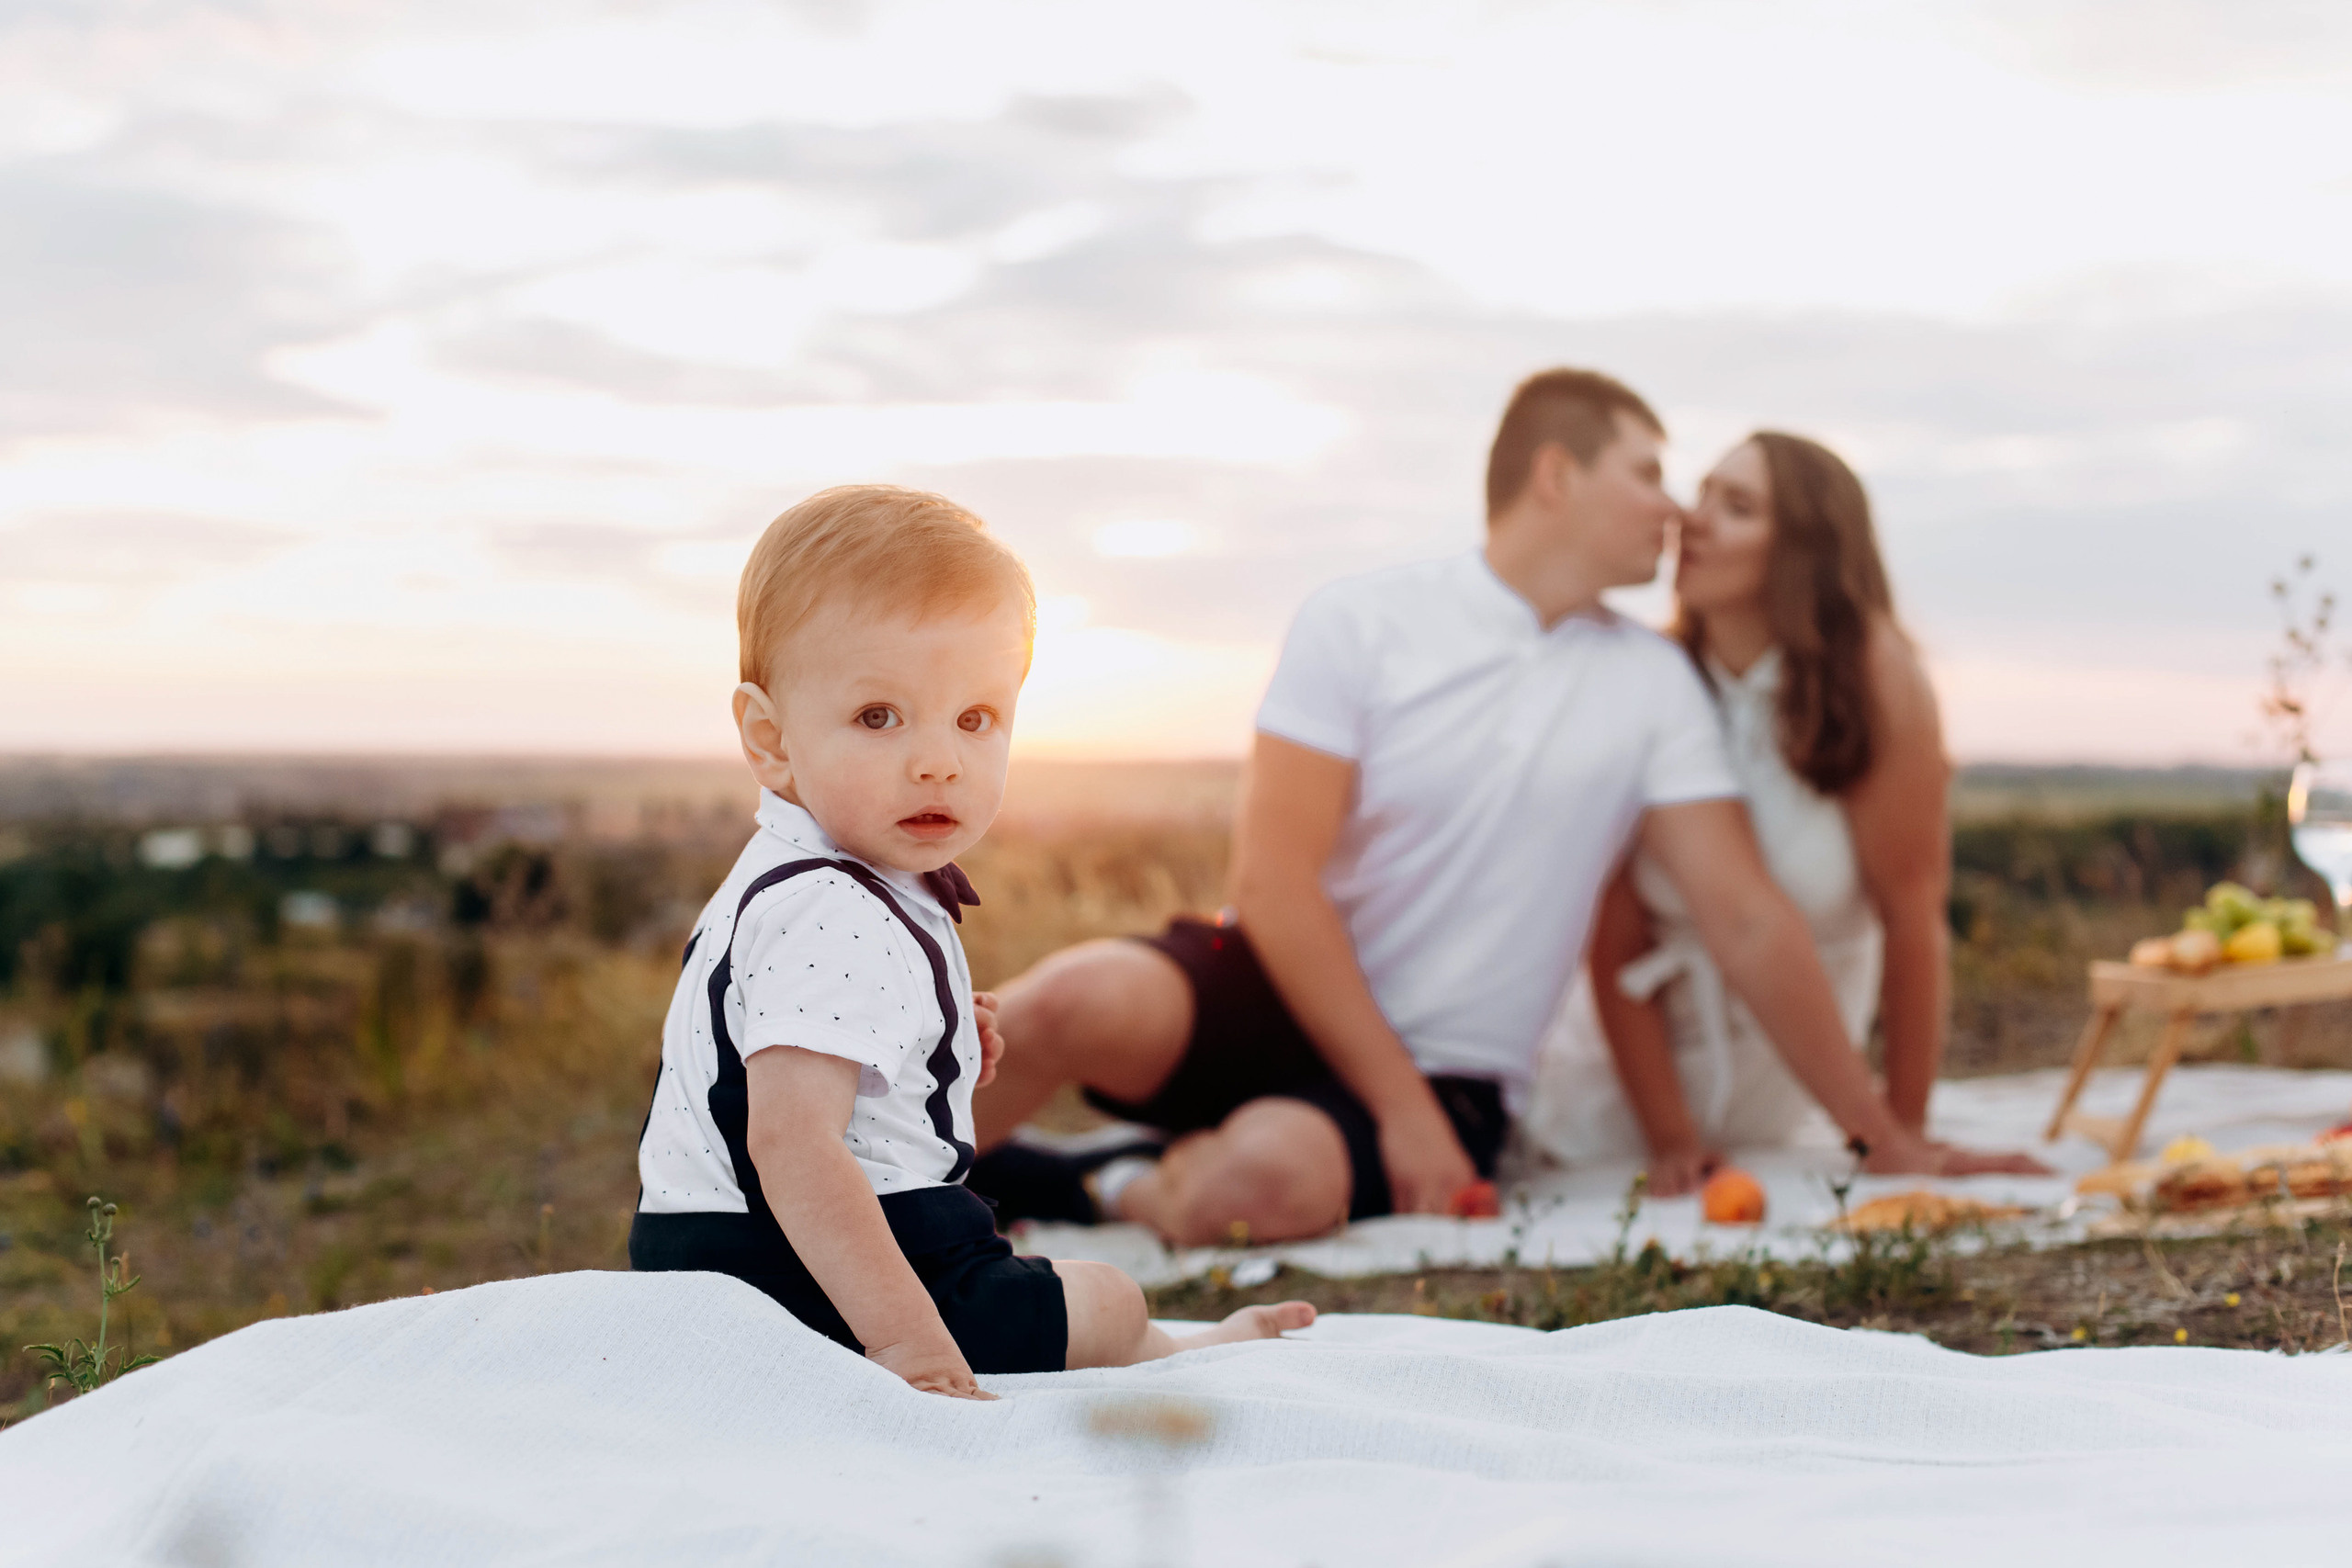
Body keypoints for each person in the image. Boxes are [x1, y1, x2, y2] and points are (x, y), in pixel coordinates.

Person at [969, 371, 2043, 1247]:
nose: (1672, 509)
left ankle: (1098, 1182)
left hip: (1454, 1069)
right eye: (1649, 474)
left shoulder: (1653, 683)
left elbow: (1745, 918)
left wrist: (1881, 1135)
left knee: (1251, 1189)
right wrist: (1397, 1111)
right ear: (1556, 475)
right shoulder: (1358, 619)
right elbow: (1271, 883)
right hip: (1275, 985)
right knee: (1065, 1001)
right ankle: (877, 1201)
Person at [628, 484, 1312, 1399]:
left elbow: (811, 1059)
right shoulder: (829, 908)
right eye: (879, 716)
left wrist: (930, 1035)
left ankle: (1181, 1350)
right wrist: (910, 1346)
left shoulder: (820, 875)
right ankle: (1171, 1351)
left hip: (758, 1246)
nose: (939, 761)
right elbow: (791, 1146)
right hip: (788, 1261)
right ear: (771, 737)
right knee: (1107, 1297)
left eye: (975, 718)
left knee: (1062, 1289)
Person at [1522, 434, 2008, 1194]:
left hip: (1790, 1088)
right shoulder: (1648, 681)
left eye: (1738, 506)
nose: (1694, 518)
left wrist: (1902, 1130)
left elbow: (1913, 916)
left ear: (1805, 550)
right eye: (1703, 493)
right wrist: (1671, 1138)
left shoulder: (1875, 679)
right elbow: (1616, 940)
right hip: (1616, 1086)